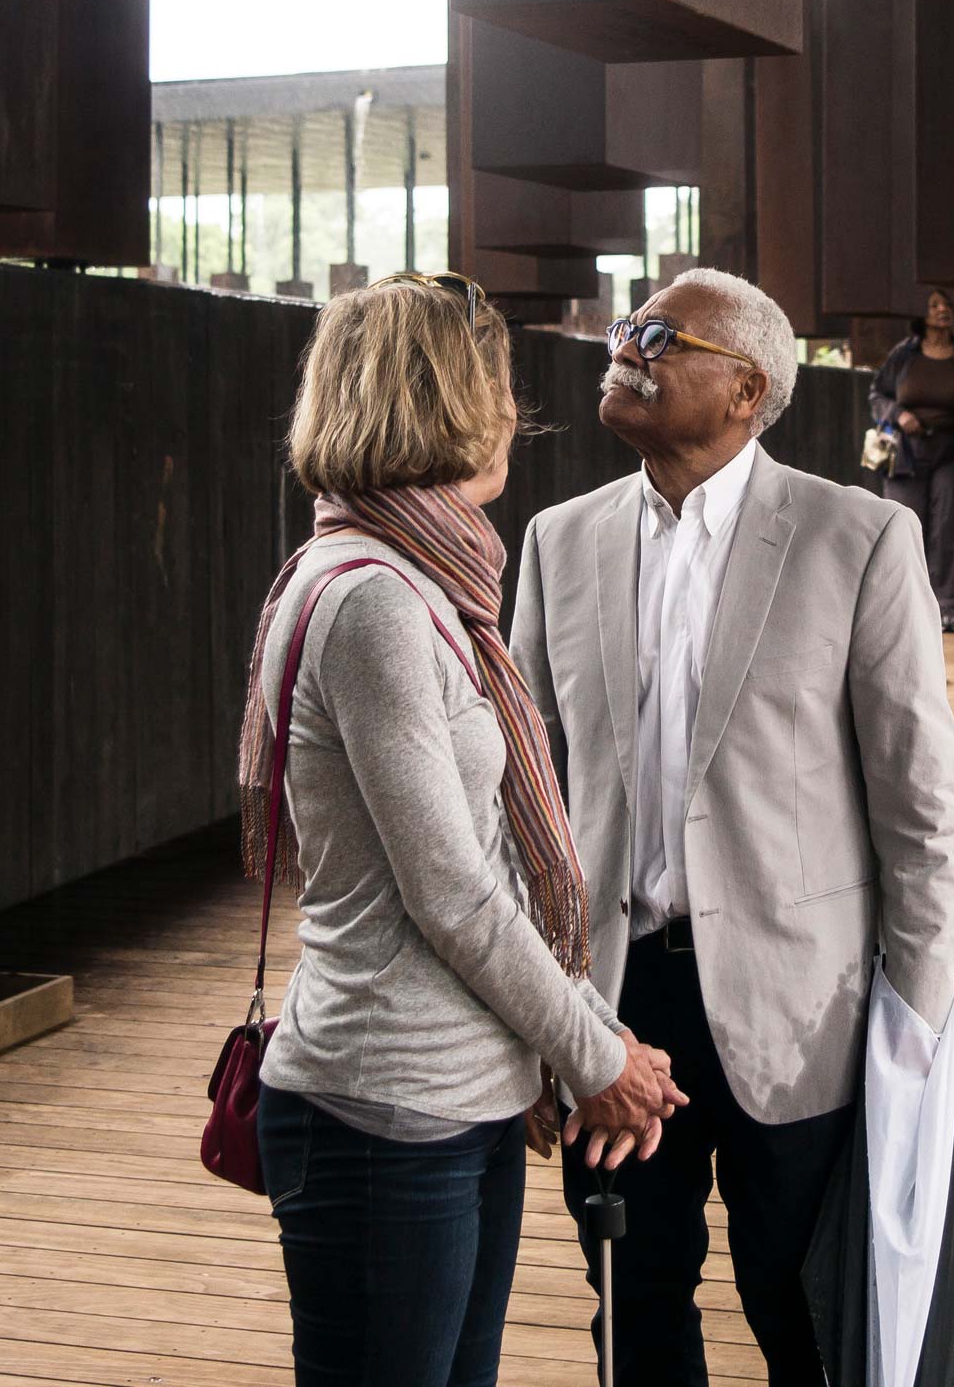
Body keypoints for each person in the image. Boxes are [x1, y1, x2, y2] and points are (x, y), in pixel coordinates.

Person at [513, 268, 954, 1385]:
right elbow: (519, 804)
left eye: (661, 335)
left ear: (743, 387)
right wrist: (539, 1022)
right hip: (613, 1008)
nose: (625, 344)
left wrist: (913, 1031)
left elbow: (921, 809)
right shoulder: (556, 540)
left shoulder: (856, 538)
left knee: (803, 1313)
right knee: (632, 1310)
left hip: (805, 1008)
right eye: (626, 324)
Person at [243, 272, 686, 1387]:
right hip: (387, 1111)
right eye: (492, 383)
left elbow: (489, 859)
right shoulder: (375, 603)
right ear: (436, 401)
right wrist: (598, 1057)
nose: (511, 412)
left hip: (460, 1096)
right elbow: (452, 891)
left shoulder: (424, 585)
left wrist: (592, 1031)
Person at [868, 287, 954, 631]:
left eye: (947, 305)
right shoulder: (903, 356)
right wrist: (897, 414)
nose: (943, 310)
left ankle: (949, 610)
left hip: (952, 453)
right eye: (934, 305)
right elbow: (877, 394)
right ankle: (905, 609)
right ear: (920, 315)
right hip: (906, 454)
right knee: (903, 528)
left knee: (950, 531)